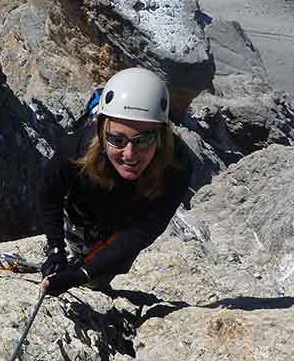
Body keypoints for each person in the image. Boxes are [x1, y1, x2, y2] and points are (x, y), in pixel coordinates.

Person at [38, 67, 193, 297]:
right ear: (101, 132)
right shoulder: (75, 150)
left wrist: (82, 275)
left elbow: (140, 234)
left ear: (161, 136)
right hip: (84, 214)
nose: (129, 154)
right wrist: (56, 248)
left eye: (144, 139)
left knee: (99, 278)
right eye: (117, 139)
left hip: (126, 222)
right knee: (86, 267)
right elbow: (49, 194)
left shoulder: (176, 167)